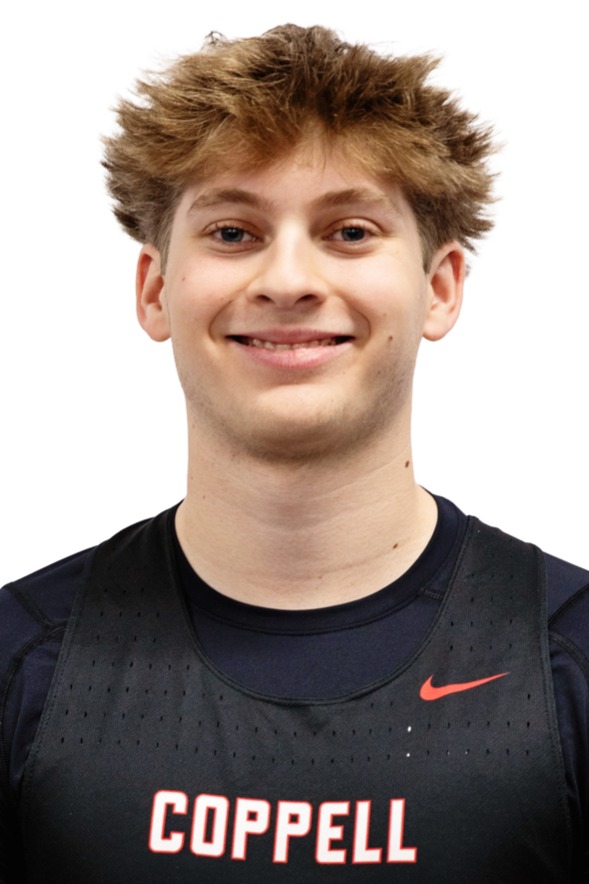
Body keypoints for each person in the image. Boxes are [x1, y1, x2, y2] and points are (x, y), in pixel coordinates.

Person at [0, 24, 587, 883]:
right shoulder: (25, 658)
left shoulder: (566, 656)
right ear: (155, 289)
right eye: (232, 233)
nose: (286, 280)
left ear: (438, 287)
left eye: (348, 231)